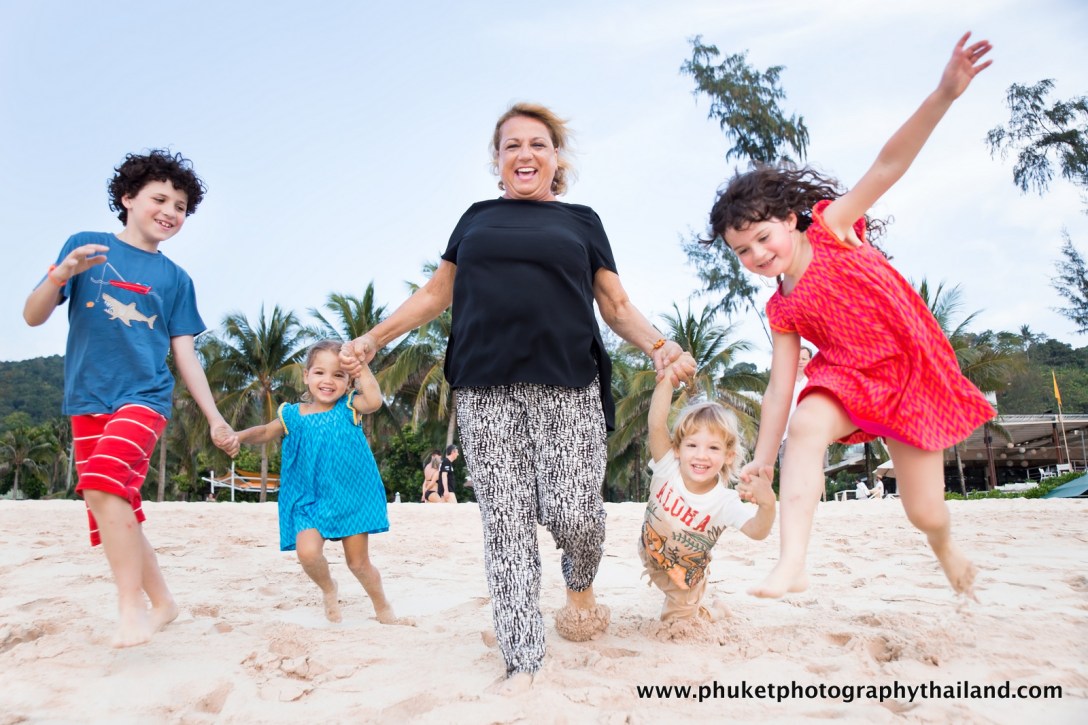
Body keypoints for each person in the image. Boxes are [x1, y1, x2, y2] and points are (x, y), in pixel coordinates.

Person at [341, 102, 693, 691]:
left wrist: (660, 344)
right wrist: (376, 337)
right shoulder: (476, 218)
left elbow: (615, 306)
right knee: (505, 521)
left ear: (556, 158)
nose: (524, 154)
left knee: (575, 513)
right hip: (483, 385)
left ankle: (579, 583)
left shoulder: (582, 221)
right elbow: (435, 294)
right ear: (497, 161)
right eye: (511, 146)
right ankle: (522, 657)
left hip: (567, 384)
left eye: (537, 144)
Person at [707, 33, 996, 599]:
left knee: (925, 512)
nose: (757, 256)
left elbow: (888, 164)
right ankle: (793, 563)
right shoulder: (782, 306)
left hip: (909, 375)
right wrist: (763, 462)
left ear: (790, 220)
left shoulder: (835, 229)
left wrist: (944, 94)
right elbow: (779, 388)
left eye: (762, 238)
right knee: (807, 424)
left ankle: (945, 547)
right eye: (742, 251)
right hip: (846, 379)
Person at [22, 149, 239, 648]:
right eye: (159, 199)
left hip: (144, 396)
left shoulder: (176, 279)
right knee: (115, 506)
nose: (171, 212)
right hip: (86, 397)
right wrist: (61, 274)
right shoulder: (86, 247)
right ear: (127, 199)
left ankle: (130, 608)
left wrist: (215, 418)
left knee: (101, 484)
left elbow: (185, 355)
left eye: (181, 206)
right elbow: (33, 316)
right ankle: (163, 602)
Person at [235, 340, 404, 625]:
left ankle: (381, 605)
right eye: (319, 373)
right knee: (308, 553)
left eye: (338, 375)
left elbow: (374, 401)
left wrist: (361, 367)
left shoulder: (350, 406)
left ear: (349, 380)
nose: (328, 381)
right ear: (306, 375)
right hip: (307, 498)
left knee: (358, 564)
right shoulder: (291, 415)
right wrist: (237, 437)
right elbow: (264, 431)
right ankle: (328, 588)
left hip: (350, 497)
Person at [641, 358, 776, 621]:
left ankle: (716, 611)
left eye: (713, 448)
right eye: (692, 445)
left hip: (685, 579)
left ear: (728, 456)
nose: (701, 456)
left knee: (676, 627)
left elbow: (757, 531)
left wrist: (768, 505)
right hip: (649, 552)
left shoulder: (724, 501)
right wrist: (669, 378)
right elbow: (656, 425)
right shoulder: (668, 465)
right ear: (678, 448)